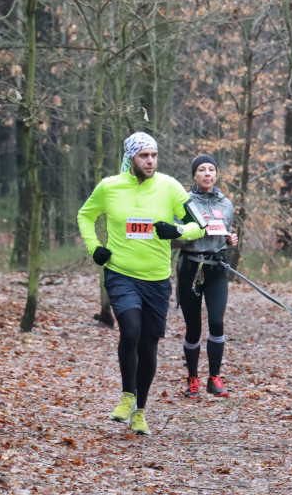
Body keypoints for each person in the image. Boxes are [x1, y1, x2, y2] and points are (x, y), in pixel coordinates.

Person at [77, 132, 205, 435]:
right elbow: (85, 215)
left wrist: (176, 231)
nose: (150, 161)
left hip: (157, 280)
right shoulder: (110, 187)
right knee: (130, 330)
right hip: (121, 273)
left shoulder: (170, 187)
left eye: (154, 155)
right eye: (143, 156)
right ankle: (127, 395)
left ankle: (140, 411)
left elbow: (199, 226)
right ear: (131, 158)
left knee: (148, 346)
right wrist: (95, 247)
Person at [175, 154, 238, 399]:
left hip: (217, 268)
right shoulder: (184, 203)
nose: (207, 174)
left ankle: (214, 378)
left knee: (217, 322)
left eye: (211, 169)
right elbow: (175, 238)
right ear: (194, 175)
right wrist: (193, 232)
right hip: (191, 268)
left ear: (216, 174)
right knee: (193, 327)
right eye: (202, 169)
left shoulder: (226, 204)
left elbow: (226, 234)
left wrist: (231, 240)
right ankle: (192, 379)